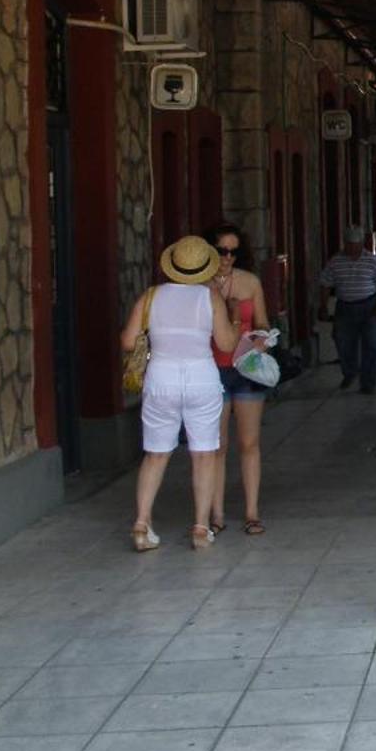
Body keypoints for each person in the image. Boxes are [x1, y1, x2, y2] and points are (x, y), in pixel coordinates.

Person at [120, 236, 238, 552]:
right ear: (205, 268)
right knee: (204, 454)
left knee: (156, 454)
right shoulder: (210, 297)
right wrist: (235, 319)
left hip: (161, 378)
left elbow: (129, 341)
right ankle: (201, 527)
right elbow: (226, 344)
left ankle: (142, 524)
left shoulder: (151, 296)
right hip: (201, 378)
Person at [207, 222, 270, 538]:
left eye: (233, 251)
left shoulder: (250, 282)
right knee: (217, 445)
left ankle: (251, 511)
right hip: (212, 369)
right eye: (221, 251)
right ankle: (216, 513)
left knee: (249, 443)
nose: (227, 257)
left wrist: (261, 340)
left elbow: (262, 322)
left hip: (245, 369)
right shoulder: (200, 285)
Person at [319, 227, 376, 393]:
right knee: (343, 342)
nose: (353, 249)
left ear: (361, 245)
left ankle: (367, 382)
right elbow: (325, 283)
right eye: (350, 245)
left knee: (373, 346)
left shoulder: (371, 260)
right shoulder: (336, 261)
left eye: (356, 245)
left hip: (369, 306)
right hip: (345, 307)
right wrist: (323, 305)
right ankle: (350, 372)